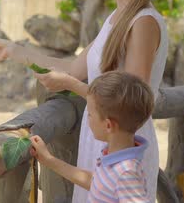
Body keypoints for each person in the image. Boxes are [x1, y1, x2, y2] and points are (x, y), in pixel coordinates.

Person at [0, 0, 168, 202]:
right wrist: (14, 51)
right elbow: (72, 67)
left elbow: (132, 100)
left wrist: (71, 85)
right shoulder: (116, 18)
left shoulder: (143, 23)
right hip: (102, 143)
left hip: (122, 147)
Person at [30, 71, 154, 202]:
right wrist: (49, 160)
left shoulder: (126, 173)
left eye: (89, 114)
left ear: (108, 125)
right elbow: (97, 182)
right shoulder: (115, 158)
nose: (88, 118)